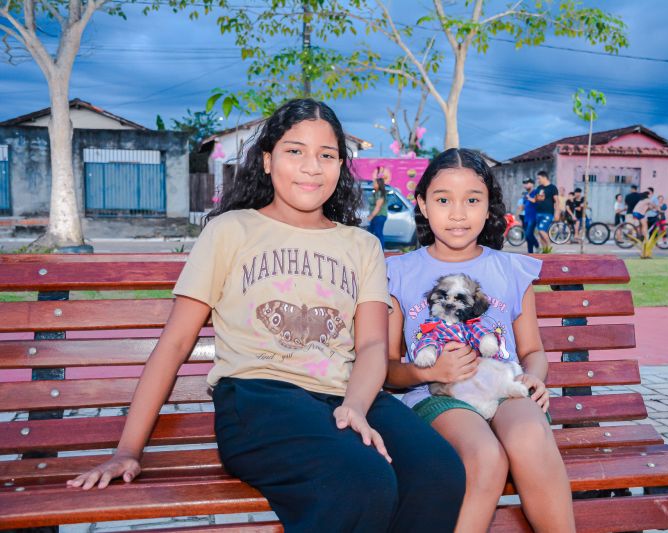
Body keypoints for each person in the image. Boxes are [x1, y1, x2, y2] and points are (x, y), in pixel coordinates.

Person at [66, 99, 466, 532]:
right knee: (362, 481)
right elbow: (176, 343)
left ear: (340, 166)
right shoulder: (231, 230)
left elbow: (371, 344)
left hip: (346, 394)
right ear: (267, 160)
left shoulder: (361, 245)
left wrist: (355, 406)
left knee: (439, 471)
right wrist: (128, 450)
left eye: (326, 155)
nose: (311, 166)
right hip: (259, 398)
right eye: (295, 151)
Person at [385, 148, 576, 533]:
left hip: (504, 386)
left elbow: (532, 351)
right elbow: (387, 368)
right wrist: (429, 372)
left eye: (472, 200)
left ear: (489, 207)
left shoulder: (511, 269)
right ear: (422, 204)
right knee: (486, 455)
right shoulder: (398, 272)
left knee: (529, 434)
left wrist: (534, 377)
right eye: (443, 200)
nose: (458, 213)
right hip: (438, 395)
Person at [531, 170, 559, 247]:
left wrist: (557, 213)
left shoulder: (552, 188)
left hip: (548, 213)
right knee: (540, 233)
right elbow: (536, 199)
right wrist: (530, 198)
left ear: (544, 177)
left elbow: (557, 201)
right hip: (538, 213)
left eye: (539, 178)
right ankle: (545, 250)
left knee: (541, 230)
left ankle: (549, 248)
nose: (538, 180)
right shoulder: (539, 188)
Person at [367, 175, 388, 249]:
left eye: (374, 183)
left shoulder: (380, 193)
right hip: (376, 216)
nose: (373, 184)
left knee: (378, 233)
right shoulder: (375, 192)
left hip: (379, 216)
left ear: (379, 184)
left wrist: (371, 216)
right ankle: (372, 250)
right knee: (371, 233)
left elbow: (378, 207)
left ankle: (381, 251)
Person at [521, 177, 540, 253]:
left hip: (533, 217)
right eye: (524, 183)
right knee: (527, 236)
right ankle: (530, 252)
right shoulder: (525, 195)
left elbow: (536, 201)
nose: (525, 185)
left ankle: (537, 245)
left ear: (532, 184)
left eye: (527, 183)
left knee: (528, 234)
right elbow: (524, 206)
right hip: (526, 217)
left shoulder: (536, 192)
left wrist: (529, 198)